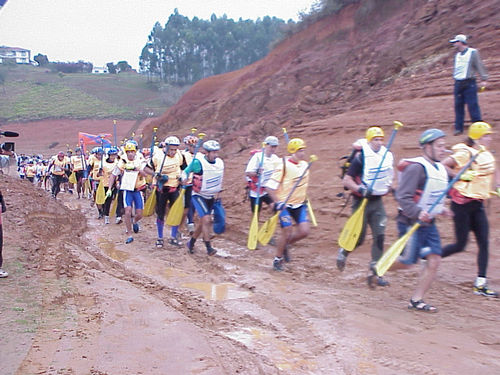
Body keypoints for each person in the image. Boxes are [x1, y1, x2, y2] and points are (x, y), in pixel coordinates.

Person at [389, 129, 451, 312]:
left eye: (444, 146)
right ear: (427, 147)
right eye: (439, 146)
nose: (443, 149)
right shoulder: (416, 168)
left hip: (429, 224)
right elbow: (403, 197)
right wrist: (418, 212)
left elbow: (432, 196)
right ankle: (378, 268)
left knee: (434, 260)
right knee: (408, 261)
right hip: (410, 223)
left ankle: (416, 299)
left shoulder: (440, 169)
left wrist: (441, 209)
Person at [441, 122, 499, 297]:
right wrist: (460, 175)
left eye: (489, 135)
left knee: (484, 243)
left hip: (478, 204)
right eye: (486, 136)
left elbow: (491, 174)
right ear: (477, 137)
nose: (490, 138)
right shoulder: (466, 152)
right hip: (461, 204)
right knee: (460, 244)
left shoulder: (486, 154)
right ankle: (429, 257)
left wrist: (496, 187)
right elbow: (443, 165)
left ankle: (480, 283)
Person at [336, 126, 394, 287]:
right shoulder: (360, 158)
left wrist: (389, 188)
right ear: (369, 141)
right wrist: (360, 189)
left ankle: (375, 273)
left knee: (380, 236)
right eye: (375, 139)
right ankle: (344, 252)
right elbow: (347, 180)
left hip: (377, 202)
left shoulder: (385, 157)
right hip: (361, 202)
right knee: (359, 237)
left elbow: (388, 177)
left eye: (381, 139)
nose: (379, 142)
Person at [264, 138, 311, 271]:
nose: (303, 153)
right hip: (284, 204)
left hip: (299, 204)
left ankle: (284, 245)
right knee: (287, 230)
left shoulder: (304, 165)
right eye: (300, 150)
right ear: (293, 151)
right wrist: (277, 202)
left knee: (304, 231)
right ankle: (278, 258)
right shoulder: (282, 166)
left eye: (303, 150)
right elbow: (269, 187)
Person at [182, 140, 224, 256]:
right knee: (206, 219)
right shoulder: (198, 163)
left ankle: (191, 242)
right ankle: (208, 247)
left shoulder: (220, 163)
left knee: (202, 223)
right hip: (198, 195)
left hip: (211, 196)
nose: (215, 155)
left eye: (216, 152)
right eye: (213, 152)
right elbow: (185, 172)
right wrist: (184, 179)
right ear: (207, 153)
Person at [144, 136, 184, 248]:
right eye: (171, 149)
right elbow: (146, 168)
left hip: (174, 188)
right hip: (161, 189)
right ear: (165, 147)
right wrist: (156, 175)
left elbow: (185, 168)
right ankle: (160, 237)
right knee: (160, 213)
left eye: (175, 149)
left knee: (175, 212)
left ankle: (173, 237)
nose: (173, 152)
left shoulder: (179, 155)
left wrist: (182, 177)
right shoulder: (157, 156)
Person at [449, 34, 488, 136]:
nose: (454, 44)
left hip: (469, 82)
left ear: (461, 42)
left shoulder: (473, 52)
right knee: (458, 106)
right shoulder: (457, 55)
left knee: (472, 105)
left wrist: (483, 78)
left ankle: (478, 127)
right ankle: (459, 128)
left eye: (456, 42)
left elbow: (479, 65)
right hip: (458, 83)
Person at [108, 142, 147, 244]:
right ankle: (129, 234)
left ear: (135, 152)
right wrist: (109, 188)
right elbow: (113, 175)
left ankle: (134, 222)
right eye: (128, 152)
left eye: (132, 151)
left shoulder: (140, 161)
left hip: (138, 190)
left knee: (139, 214)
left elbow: (145, 174)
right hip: (127, 190)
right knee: (128, 211)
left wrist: (138, 169)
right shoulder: (122, 162)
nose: (130, 154)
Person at [245, 135, 280, 215]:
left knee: (275, 207)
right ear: (266, 145)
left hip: (267, 190)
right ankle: (255, 227)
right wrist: (257, 173)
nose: (273, 149)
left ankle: (269, 225)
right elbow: (248, 173)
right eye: (272, 147)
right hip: (256, 190)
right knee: (256, 214)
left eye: (275, 147)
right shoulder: (257, 157)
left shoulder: (275, 158)